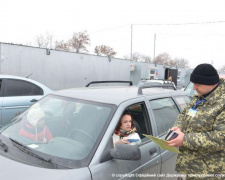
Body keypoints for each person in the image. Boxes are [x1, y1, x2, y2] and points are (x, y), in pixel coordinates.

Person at [167, 63, 225, 177]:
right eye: (193, 84)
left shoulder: (222, 103)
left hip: (210, 172)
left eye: (197, 84)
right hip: (189, 167)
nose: (194, 88)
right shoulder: (199, 96)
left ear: (212, 83)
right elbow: (184, 114)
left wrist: (185, 140)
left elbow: (221, 138)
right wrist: (179, 126)